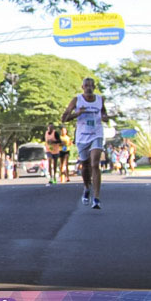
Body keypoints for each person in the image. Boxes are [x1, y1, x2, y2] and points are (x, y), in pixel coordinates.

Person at [62, 77, 110, 209]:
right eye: (86, 85)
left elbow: (103, 113)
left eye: (91, 86)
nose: (89, 88)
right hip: (82, 136)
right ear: (82, 87)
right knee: (85, 165)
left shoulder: (100, 99)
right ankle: (87, 187)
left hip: (97, 134)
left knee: (95, 163)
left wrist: (105, 117)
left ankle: (97, 198)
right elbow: (64, 118)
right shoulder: (77, 100)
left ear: (94, 87)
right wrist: (77, 113)